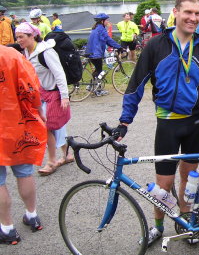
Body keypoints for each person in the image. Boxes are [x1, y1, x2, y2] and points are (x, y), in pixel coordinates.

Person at [112, 0, 199, 247]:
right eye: (188, 13)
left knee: (190, 179)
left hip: (194, 124)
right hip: (168, 123)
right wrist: (124, 122)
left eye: (197, 14)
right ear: (176, 12)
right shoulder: (156, 46)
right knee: (164, 184)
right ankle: (158, 226)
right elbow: (136, 84)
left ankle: (186, 224)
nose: (193, 18)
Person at [0, 45, 47, 245]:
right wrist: (39, 111)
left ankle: (7, 227)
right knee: (24, 172)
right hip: (18, 124)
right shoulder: (12, 55)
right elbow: (32, 87)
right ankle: (32, 214)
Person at [15, 22, 74, 176]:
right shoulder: (27, 52)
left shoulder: (45, 52)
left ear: (32, 36)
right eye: (17, 37)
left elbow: (59, 73)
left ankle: (52, 161)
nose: (19, 40)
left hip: (54, 93)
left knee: (47, 126)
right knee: (55, 125)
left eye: (21, 37)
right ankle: (67, 155)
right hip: (41, 93)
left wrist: (64, 96)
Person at [86, 13, 122, 96]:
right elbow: (108, 40)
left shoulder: (96, 28)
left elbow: (105, 40)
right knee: (99, 71)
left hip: (92, 52)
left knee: (97, 70)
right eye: (107, 20)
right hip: (96, 53)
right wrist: (119, 47)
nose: (108, 22)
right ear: (102, 21)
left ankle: (91, 86)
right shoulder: (101, 29)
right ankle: (97, 90)